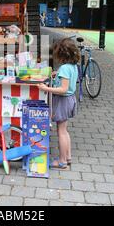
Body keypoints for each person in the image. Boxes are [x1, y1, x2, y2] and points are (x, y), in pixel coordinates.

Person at [38, 38, 80, 169]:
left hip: (63, 101)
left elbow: (63, 89)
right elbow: (67, 82)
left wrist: (46, 89)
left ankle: (61, 161)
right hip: (70, 100)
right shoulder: (72, 66)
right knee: (64, 130)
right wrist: (58, 74)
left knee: (61, 131)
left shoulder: (64, 68)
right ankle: (68, 157)